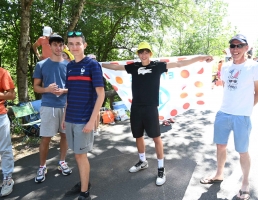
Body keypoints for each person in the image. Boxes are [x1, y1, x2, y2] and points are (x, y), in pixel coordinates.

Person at [101, 41, 213, 186]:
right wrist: (97, 64)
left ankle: (161, 169)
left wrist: (201, 58)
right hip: (136, 107)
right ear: (138, 54)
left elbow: (180, 64)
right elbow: (115, 67)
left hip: (150, 107)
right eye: (141, 52)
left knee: (156, 138)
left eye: (146, 52)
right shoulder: (134, 67)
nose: (143, 54)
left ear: (150, 53)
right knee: (138, 136)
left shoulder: (157, 65)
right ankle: (142, 161)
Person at [200, 34, 258, 200]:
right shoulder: (226, 67)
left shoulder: (255, 67)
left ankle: (245, 183)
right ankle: (219, 174)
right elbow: (226, 88)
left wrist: (244, 108)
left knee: (242, 151)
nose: (235, 49)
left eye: (239, 46)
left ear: (246, 48)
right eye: (232, 46)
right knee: (220, 146)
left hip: (241, 117)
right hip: (223, 113)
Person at [62, 31, 105, 200]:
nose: (74, 47)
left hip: (83, 119)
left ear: (84, 45)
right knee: (77, 154)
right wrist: (66, 115)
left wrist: (92, 120)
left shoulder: (92, 65)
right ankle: (83, 182)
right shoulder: (70, 66)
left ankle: (85, 192)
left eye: (78, 43)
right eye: (71, 44)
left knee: (80, 155)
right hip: (71, 117)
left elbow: (100, 94)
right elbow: (70, 93)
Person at [33, 34, 72, 183]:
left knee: (65, 136)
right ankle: (42, 166)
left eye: (60, 45)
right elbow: (36, 87)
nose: (58, 47)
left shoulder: (69, 65)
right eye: (55, 44)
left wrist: (64, 90)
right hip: (48, 106)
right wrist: (48, 89)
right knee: (46, 138)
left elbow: (74, 87)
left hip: (65, 106)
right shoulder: (41, 65)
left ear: (63, 46)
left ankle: (62, 162)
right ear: (49, 46)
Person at [0, 67, 16, 197]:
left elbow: (12, 94)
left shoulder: (2, 72)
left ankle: (7, 179)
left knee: (5, 149)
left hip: (0, 116)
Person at [87, 54, 101, 136]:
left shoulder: (97, 67)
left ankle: (96, 128)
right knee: (94, 110)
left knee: (96, 109)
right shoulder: (91, 67)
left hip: (96, 92)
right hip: (90, 92)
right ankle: (94, 128)